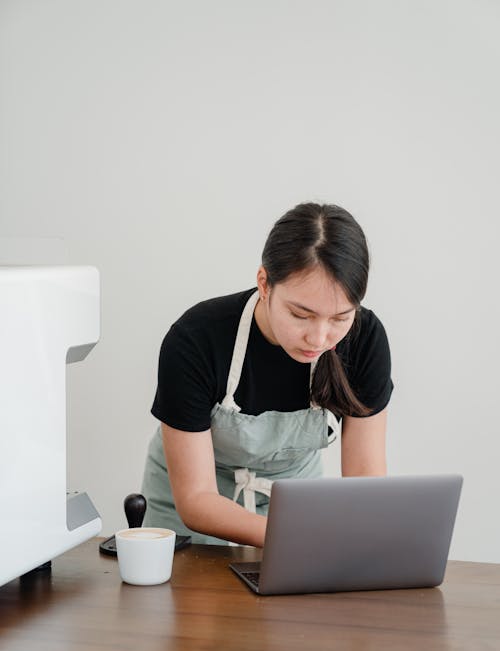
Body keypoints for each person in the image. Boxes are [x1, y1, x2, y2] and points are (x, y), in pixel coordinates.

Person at [141, 202, 393, 547]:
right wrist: (294, 537)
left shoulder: (365, 340)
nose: (319, 338)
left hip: (297, 507)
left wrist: (354, 537)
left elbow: (365, 479)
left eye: (339, 319)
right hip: (192, 519)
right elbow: (196, 498)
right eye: (300, 314)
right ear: (264, 283)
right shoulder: (196, 339)